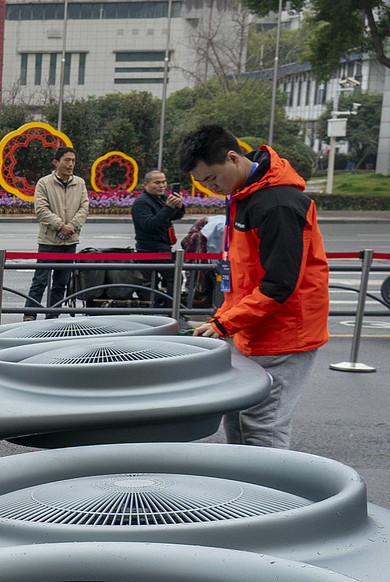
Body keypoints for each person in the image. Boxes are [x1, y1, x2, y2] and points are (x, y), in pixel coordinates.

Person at [176, 123, 330, 449]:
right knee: (239, 418)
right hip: (252, 327)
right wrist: (225, 320)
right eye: (202, 182)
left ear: (233, 158)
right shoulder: (246, 193)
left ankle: (268, 484)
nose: (210, 187)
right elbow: (245, 273)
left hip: (283, 334)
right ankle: (246, 479)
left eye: (212, 178)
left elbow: (279, 285)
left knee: (262, 427)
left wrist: (224, 323)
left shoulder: (277, 204)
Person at [27, 148, 87, 319]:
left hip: (70, 241)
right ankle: (29, 314)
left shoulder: (79, 183)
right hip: (49, 241)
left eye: (73, 160)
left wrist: (71, 226)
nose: (70, 164)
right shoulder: (44, 183)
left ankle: (53, 316)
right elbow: (41, 210)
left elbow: (84, 208)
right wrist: (60, 226)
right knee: (40, 281)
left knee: (61, 282)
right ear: (56, 162)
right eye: (67, 160)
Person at [131, 169, 185, 306]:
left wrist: (178, 207)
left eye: (163, 182)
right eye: (157, 183)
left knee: (170, 278)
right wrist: (168, 208)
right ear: (146, 184)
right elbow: (149, 224)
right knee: (174, 277)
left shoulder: (163, 198)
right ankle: (169, 308)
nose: (161, 185)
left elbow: (173, 216)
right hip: (150, 249)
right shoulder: (141, 202)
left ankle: (166, 307)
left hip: (164, 246)